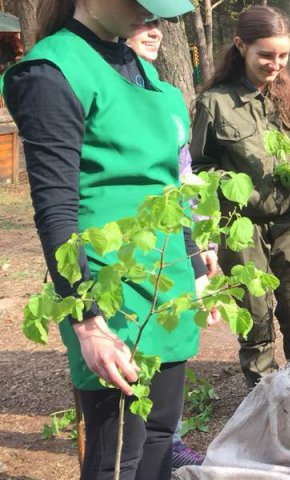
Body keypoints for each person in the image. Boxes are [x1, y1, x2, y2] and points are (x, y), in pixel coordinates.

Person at [2, 0, 207, 478]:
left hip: (165, 277)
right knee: (119, 451)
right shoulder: (52, 71)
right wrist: (88, 321)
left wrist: (194, 264)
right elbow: (56, 209)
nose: (150, 16)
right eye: (139, 2)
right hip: (106, 285)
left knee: (161, 430)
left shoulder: (143, 70)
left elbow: (170, 185)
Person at [190, 5, 290, 388]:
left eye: (283, 55)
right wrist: (231, 182)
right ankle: (265, 397)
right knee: (255, 318)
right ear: (241, 46)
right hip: (241, 229)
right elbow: (200, 168)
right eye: (266, 55)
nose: (275, 64)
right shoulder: (215, 103)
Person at [125, 19, 208, 469]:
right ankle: (125, 451)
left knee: (169, 342)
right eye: (143, 20)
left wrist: (200, 249)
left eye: (158, 22)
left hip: (171, 242)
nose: (154, 31)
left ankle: (166, 441)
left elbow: (183, 175)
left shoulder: (168, 95)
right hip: (121, 249)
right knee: (129, 352)